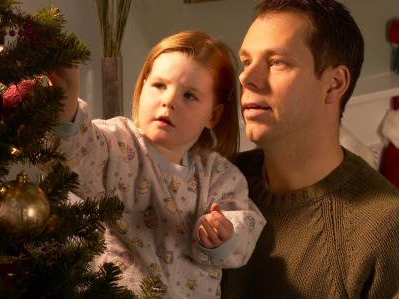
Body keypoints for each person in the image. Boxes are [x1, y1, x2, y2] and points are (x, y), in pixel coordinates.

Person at [49, 30, 265, 298]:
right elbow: (80, 149)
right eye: (159, 85)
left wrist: (224, 235)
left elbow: (244, 226)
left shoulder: (218, 176)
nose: (169, 101)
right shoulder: (120, 145)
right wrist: (66, 97)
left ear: (213, 115)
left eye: (189, 95)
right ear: (142, 88)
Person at [220, 0, 399, 298]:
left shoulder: (386, 228)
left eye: (277, 62)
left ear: (334, 84)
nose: (246, 78)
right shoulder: (216, 182)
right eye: (247, 61)